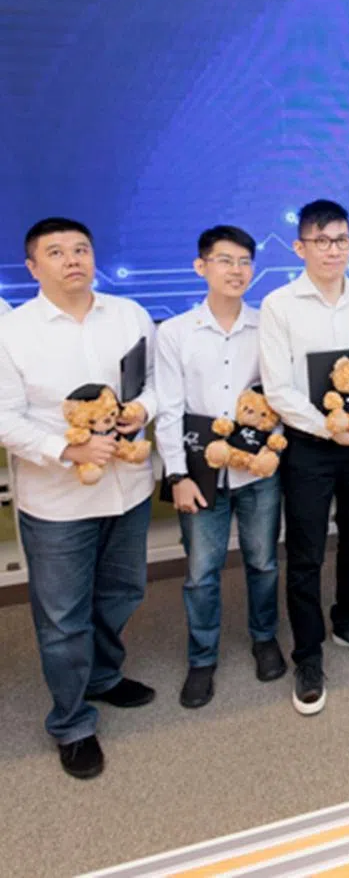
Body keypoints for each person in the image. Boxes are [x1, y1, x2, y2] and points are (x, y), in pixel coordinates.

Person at [0, 218, 157, 779]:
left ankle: (104, 677)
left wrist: (145, 409)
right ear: (33, 266)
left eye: (82, 249)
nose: (73, 259)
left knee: (122, 591)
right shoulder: (13, 332)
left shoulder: (130, 315)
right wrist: (68, 451)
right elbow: (4, 419)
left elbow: (155, 383)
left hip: (128, 492)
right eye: (57, 251)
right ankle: (71, 722)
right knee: (63, 619)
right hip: (58, 503)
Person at [259, 199, 349, 716]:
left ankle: (348, 618)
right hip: (311, 447)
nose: (333, 250)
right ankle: (308, 652)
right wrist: (329, 428)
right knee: (307, 551)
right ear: (300, 247)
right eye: (321, 241)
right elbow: (279, 389)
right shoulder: (279, 304)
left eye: (341, 240)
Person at [155, 226, 287, 709]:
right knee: (201, 572)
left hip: (257, 473)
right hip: (200, 474)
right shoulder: (174, 333)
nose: (236, 270)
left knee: (263, 562)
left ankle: (264, 639)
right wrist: (177, 476)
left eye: (244, 262)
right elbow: (169, 409)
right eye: (225, 260)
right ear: (201, 266)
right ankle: (202, 657)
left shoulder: (267, 325)